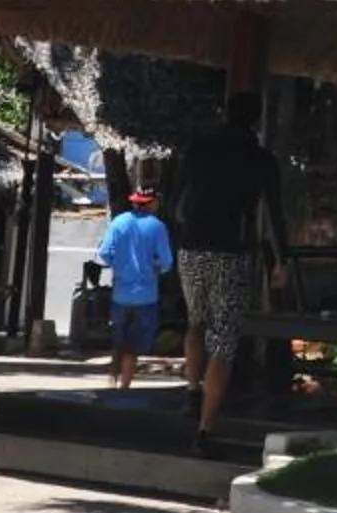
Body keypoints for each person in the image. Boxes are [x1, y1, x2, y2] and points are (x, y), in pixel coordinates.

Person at [169, 94, 290, 451]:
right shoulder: (261, 159)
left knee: (196, 321)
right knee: (224, 342)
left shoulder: (199, 149)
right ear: (256, 119)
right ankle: (205, 430)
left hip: (192, 247)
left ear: (224, 114)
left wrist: (179, 239)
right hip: (231, 252)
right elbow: (275, 213)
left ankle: (192, 391)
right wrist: (280, 261)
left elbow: (177, 199)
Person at [94, 185, 174, 394]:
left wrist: (119, 266)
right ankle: (125, 388)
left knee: (118, 342)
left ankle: (111, 380)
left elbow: (103, 253)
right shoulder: (157, 227)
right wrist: (154, 268)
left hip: (120, 294)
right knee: (133, 347)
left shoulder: (119, 222)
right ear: (152, 202)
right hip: (146, 297)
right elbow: (166, 262)